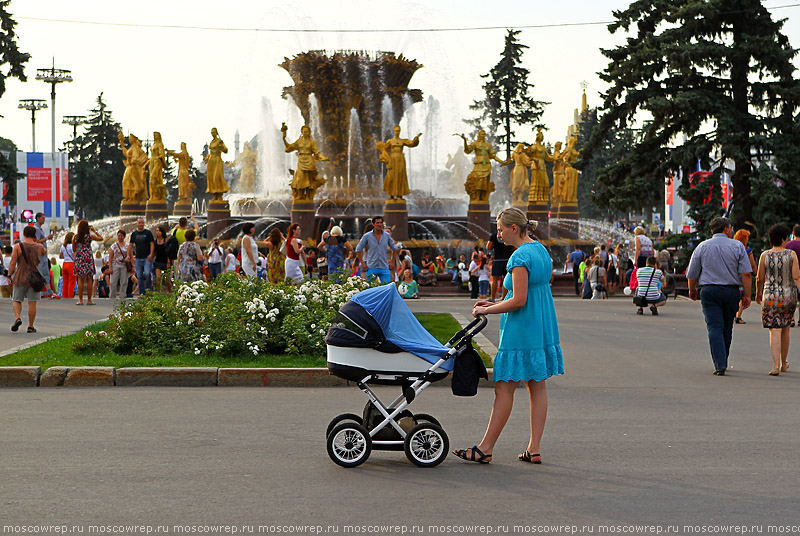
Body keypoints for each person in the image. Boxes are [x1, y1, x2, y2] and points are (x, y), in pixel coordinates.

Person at [454, 207, 563, 465]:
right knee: (537, 385)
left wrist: (489, 309)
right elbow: (530, 292)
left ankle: (485, 447)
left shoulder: (519, 257)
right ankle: (534, 448)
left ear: (514, 228)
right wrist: (493, 301)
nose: (498, 234)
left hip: (520, 329)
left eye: (501, 229)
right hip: (541, 325)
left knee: (504, 388)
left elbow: (519, 300)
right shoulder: (540, 251)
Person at [686, 217, 753, 375]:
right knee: (727, 326)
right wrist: (748, 295)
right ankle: (723, 358)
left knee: (714, 326)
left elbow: (692, 272)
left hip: (709, 292)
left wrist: (692, 290)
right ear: (726, 229)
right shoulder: (737, 246)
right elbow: (746, 273)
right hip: (731, 291)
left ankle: (720, 363)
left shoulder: (702, 246)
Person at [755, 224, 800, 376]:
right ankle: (783, 363)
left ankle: (774, 365)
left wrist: (758, 293)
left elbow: (760, 278)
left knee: (774, 329)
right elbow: (796, 277)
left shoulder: (765, 255)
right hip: (788, 296)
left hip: (770, 297)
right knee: (785, 327)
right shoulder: (791, 254)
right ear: (782, 238)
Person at [8, 226, 47, 332]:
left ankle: (18, 318)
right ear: (34, 235)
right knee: (32, 302)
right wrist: (37, 241)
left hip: (20, 277)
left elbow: (12, 263)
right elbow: (44, 252)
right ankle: (30, 326)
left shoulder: (17, 246)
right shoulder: (39, 247)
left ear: (24, 234)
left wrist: (9, 275)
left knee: (17, 300)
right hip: (34, 278)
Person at [355, 216, 399, 284]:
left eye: (381, 223)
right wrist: (363, 263)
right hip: (371, 266)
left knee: (387, 286)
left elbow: (394, 248)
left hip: (384, 266)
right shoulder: (367, 236)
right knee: (370, 287)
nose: (379, 224)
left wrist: (393, 261)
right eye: (377, 223)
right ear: (373, 224)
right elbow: (358, 249)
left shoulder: (387, 236)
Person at [73, 220, 103, 305]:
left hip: (80, 258)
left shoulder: (75, 237)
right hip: (88, 258)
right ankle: (89, 300)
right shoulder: (90, 236)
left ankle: (80, 300)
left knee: (80, 279)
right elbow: (101, 238)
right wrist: (94, 230)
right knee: (89, 279)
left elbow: (74, 249)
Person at [733, 229, 758, 324]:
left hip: (732, 275)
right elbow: (752, 264)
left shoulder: (732, 248)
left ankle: (733, 315)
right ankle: (738, 316)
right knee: (742, 297)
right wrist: (757, 273)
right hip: (743, 276)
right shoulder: (747, 250)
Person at [127, 217, 155, 296]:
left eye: (142, 223)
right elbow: (130, 245)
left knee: (147, 273)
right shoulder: (134, 234)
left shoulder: (148, 233)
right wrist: (130, 256)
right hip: (138, 258)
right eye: (139, 223)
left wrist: (151, 254)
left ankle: (148, 291)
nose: (141, 224)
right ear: (137, 224)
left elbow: (152, 244)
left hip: (147, 257)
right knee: (139, 276)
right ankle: (142, 293)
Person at [487, 231, 515, 302]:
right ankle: (503, 298)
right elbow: (514, 247)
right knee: (505, 278)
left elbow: (488, 247)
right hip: (507, 259)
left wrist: (495, 245)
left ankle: (492, 297)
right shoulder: (509, 234)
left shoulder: (494, 236)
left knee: (495, 279)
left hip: (497, 260)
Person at [33, 212, 54, 297]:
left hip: (42, 254)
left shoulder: (39, 229)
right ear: (38, 218)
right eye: (43, 218)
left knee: (43, 272)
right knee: (43, 272)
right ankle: (47, 291)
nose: (44, 220)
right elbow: (36, 241)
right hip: (41, 254)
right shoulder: (37, 229)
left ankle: (44, 291)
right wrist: (46, 238)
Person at [783, 224, 800, 327]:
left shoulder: (788, 245)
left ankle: (792, 318)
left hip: (789, 273)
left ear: (793, 233)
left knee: (791, 296)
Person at [109, 229, 130, 300]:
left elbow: (130, 255)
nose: (120, 237)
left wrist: (132, 266)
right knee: (113, 282)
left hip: (124, 266)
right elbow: (110, 257)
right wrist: (110, 268)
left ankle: (122, 297)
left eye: (121, 236)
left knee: (124, 282)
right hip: (115, 265)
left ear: (124, 236)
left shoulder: (127, 245)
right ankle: (112, 296)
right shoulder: (113, 246)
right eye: (119, 236)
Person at [153, 226, 172, 293]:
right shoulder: (155, 241)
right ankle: (158, 292)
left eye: (159, 231)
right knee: (158, 278)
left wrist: (169, 262)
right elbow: (154, 252)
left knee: (167, 279)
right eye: (156, 231)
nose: (157, 232)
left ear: (162, 232)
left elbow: (169, 251)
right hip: (158, 261)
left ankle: (170, 291)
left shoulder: (166, 240)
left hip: (165, 261)